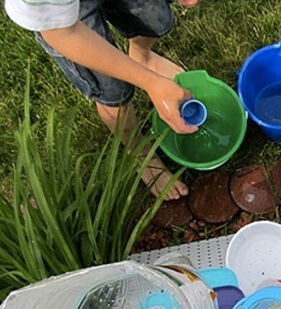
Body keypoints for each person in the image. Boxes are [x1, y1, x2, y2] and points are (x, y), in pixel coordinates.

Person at [4, 0, 200, 200]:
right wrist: (152, 84)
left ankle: (142, 58)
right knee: (113, 90)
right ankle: (138, 151)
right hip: (65, 19)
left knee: (154, 18)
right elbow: (63, 34)